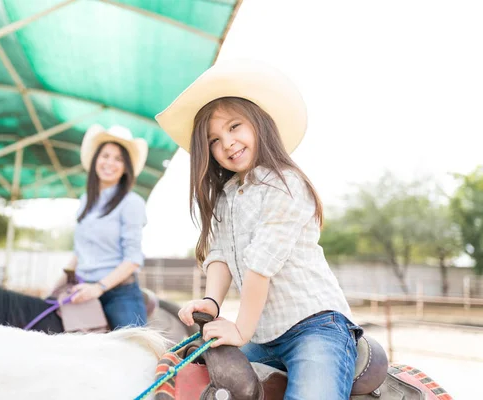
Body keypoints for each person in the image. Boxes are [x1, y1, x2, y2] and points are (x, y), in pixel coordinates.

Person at [156, 59, 363, 399]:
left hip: (315, 327)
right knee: (201, 378)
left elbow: (260, 266)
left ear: (259, 124)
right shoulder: (225, 197)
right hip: (264, 336)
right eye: (214, 140)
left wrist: (240, 329)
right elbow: (220, 254)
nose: (227, 143)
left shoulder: (287, 185)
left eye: (235, 126)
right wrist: (211, 302)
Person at [52, 124, 149, 330]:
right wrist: (57, 287)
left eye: (118, 159)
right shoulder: (86, 200)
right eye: (105, 155)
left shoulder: (131, 202)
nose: (109, 163)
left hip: (119, 292)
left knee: (135, 350)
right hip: (82, 288)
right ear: (96, 159)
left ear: (125, 168)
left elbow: (132, 259)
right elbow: (80, 252)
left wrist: (99, 288)